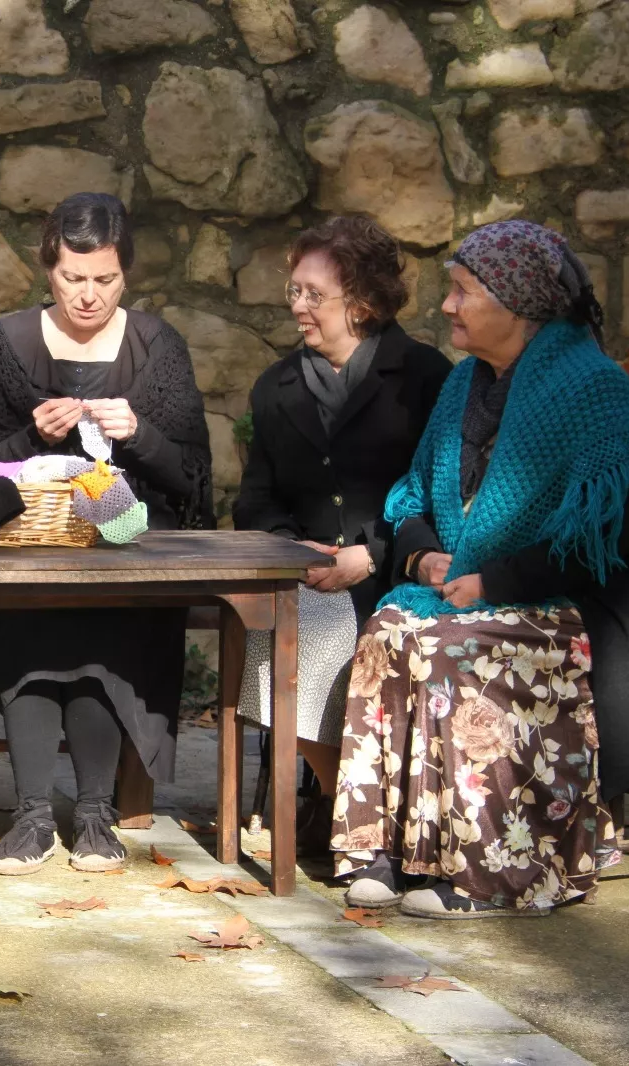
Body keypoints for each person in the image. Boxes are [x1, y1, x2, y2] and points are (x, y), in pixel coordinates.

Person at [332, 220, 629, 918]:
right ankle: (391, 849)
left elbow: (608, 532)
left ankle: (495, 872)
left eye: (463, 291)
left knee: (453, 647)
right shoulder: (465, 385)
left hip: (589, 604)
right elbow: (414, 496)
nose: (447, 306)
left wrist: (495, 583)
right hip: (481, 590)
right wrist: (422, 555)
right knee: (389, 630)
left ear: (517, 303)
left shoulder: (593, 389)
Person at [0, 193, 214, 875]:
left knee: (105, 623)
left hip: (126, 551)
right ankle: (33, 815)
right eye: (73, 278)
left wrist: (141, 434)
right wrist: (31, 436)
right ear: (49, 269)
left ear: (126, 272)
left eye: (105, 279)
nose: (89, 295)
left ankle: (96, 813)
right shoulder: (9, 342)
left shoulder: (156, 346)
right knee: (30, 624)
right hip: (30, 548)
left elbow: (192, 476)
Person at [233, 216, 450, 855]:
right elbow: (256, 499)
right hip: (308, 575)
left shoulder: (426, 377)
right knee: (289, 622)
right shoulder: (276, 387)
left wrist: (373, 555)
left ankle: (354, 816)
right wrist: (290, 549)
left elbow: (442, 493)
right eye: (295, 290)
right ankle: (348, 810)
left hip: (402, 569)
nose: (298, 306)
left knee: (329, 626)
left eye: (314, 294)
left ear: (362, 301)